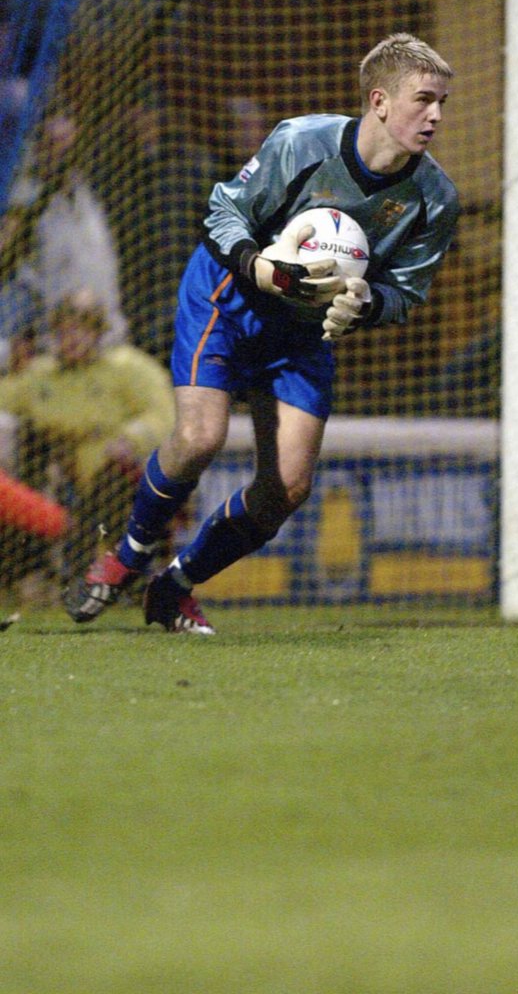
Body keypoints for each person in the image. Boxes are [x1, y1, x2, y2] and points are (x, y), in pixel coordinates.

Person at [66, 32, 460, 634]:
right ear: (379, 101)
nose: (435, 117)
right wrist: (261, 268)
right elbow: (223, 212)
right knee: (199, 438)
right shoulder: (302, 142)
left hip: (300, 336)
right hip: (228, 301)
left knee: (288, 489)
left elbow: (405, 293)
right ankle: (125, 557)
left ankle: (173, 586)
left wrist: (365, 304)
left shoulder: (435, 198)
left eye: (441, 103)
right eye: (423, 100)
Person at [0, 289, 174, 594]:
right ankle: (40, 572)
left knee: (118, 482)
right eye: (64, 332)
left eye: (80, 330)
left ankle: (128, 575)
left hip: (118, 469)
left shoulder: (130, 367)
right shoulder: (41, 374)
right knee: (30, 447)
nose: (71, 339)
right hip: (60, 473)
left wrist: (131, 439)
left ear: (98, 332)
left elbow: (163, 415)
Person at [0, 111, 127, 360]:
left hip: (107, 338)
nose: (61, 152)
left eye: (68, 143)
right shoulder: (22, 201)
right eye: (53, 143)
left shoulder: (88, 194)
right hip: (58, 346)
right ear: (38, 146)